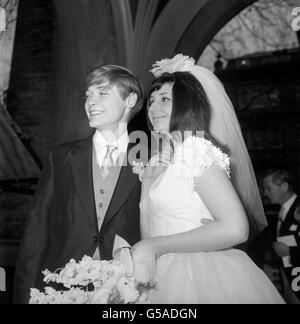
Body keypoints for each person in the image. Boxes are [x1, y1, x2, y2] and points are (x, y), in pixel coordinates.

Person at [131, 54, 285, 304]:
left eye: (165, 99)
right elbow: (149, 232)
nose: (153, 108)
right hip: (158, 276)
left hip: (202, 274)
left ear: (187, 105)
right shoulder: (154, 163)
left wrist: (155, 246)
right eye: (152, 100)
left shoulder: (195, 150)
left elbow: (236, 228)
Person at [13, 65, 144, 304]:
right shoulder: (61, 157)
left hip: (126, 292)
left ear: (130, 100)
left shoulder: (150, 158)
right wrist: (24, 296)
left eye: (102, 93)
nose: (90, 102)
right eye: (88, 95)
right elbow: (36, 229)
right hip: (57, 289)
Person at [263, 169, 300, 303]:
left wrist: (290, 251)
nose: (265, 193)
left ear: (284, 187)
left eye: (269, 188)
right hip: (289, 275)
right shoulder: (282, 210)